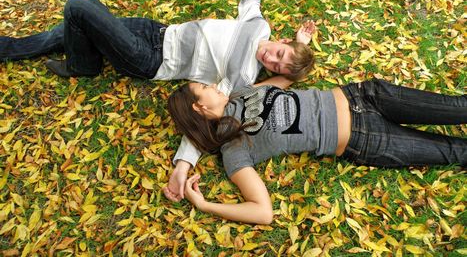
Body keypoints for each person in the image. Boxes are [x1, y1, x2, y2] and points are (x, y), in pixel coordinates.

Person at [0, 0, 316, 199]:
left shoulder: (242, 75)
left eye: (277, 66)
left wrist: (183, 165)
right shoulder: (259, 26)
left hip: (149, 59)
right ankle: (14, 49)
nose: (271, 60)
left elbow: (208, 116)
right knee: (69, 31)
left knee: (79, 7)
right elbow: (251, 3)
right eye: (279, 54)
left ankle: (84, 65)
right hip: (156, 31)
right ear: (284, 40)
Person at [166, 78, 466, 224]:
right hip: (365, 139)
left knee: (459, 107)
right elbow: (263, 211)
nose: (214, 85)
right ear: (199, 106)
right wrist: (205, 205)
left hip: (365, 95)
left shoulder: (241, 92)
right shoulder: (233, 151)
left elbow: (284, 80)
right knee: (456, 152)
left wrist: (299, 47)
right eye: (205, 86)